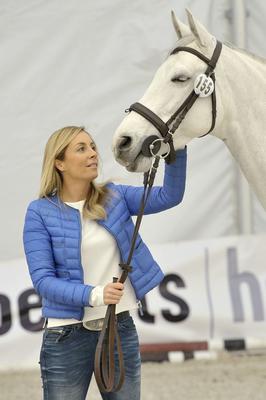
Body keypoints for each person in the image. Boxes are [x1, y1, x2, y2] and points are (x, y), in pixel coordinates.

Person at [23, 125, 187, 400]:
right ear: (59, 163)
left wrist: (179, 146)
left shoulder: (115, 196)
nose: (93, 154)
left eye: (93, 147)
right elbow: (43, 281)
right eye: (81, 148)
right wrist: (96, 294)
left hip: (119, 329)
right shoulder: (39, 212)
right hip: (65, 337)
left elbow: (169, 196)